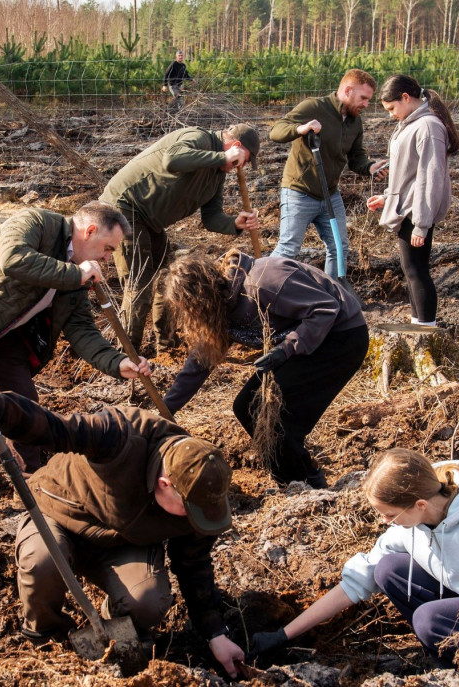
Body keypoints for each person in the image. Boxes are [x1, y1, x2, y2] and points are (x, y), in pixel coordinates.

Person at [0, 383, 246, 678]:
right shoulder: (122, 434)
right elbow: (54, 427)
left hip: (121, 542)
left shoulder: (204, 495)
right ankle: (47, 635)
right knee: (42, 562)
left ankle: (117, 619)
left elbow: (194, 565)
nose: (194, 518)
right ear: (165, 484)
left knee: (148, 601)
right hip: (59, 517)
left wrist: (215, 634)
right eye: (188, 509)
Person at [245, 449, 459, 687]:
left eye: (389, 515)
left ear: (420, 504)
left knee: (429, 621)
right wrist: (284, 635)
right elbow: (357, 581)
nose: (385, 522)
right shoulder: (412, 527)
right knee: (388, 568)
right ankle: (454, 658)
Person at [0, 202, 152, 498]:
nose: (107, 258)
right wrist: (75, 274)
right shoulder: (37, 223)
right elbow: (14, 259)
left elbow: (82, 330)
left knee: (24, 404)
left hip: (1, 330)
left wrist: (117, 363)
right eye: (107, 248)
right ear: (90, 231)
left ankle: (32, 486)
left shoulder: (77, 274)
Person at [162, 250, 368, 488]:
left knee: (277, 416)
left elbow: (325, 309)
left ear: (201, 295)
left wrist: (285, 350)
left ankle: (304, 483)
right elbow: (200, 362)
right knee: (247, 407)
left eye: (190, 307)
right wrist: (166, 408)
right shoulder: (220, 308)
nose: (190, 316)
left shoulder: (265, 281)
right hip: (304, 343)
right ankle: (295, 480)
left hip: (340, 337)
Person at [99, 124, 261, 351]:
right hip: (125, 209)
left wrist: (235, 223)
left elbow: (211, 217)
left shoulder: (217, 174)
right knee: (139, 284)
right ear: (236, 146)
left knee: (167, 280)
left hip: (151, 222)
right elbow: (172, 159)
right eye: (245, 160)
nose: (240, 167)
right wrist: (222, 157)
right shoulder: (200, 138)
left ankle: (166, 348)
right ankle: (126, 356)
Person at [270, 68, 385, 282]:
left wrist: (370, 167)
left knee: (339, 248)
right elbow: (276, 130)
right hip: (299, 192)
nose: (366, 104)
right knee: (288, 248)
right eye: (363, 98)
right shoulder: (314, 107)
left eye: (368, 99)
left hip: (330, 194)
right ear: (348, 91)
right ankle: (260, 286)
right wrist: (300, 128)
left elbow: (356, 157)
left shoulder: (355, 121)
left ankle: (333, 293)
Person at [365, 74, 458, 328]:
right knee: (411, 269)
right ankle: (418, 325)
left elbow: (430, 178)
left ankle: (425, 329)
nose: (390, 115)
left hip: (416, 212)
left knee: (417, 271)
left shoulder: (428, 127)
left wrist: (421, 224)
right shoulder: (409, 124)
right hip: (408, 208)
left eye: (391, 108)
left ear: (406, 98)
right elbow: (407, 174)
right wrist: (387, 198)